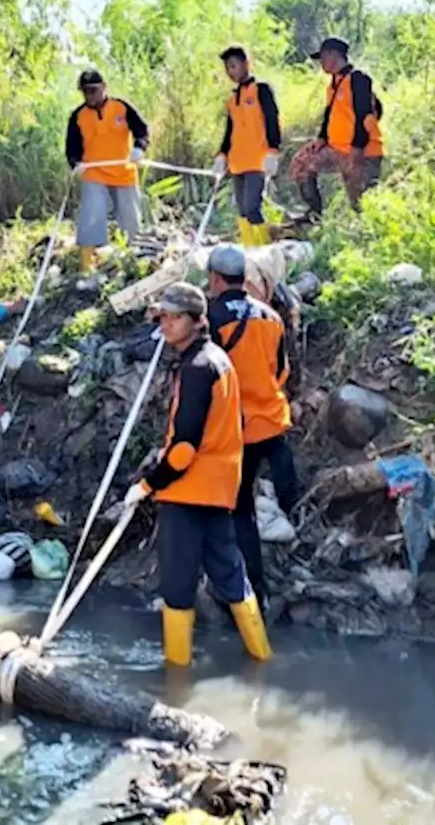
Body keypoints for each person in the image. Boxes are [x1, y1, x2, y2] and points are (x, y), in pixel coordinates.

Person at [119, 283, 272, 667]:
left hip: (188, 493)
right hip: (220, 491)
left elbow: (185, 447)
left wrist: (149, 483)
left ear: (197, 320)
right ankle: (262, 657)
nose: (166, 325)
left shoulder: (197, 368)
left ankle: (176, 679)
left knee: (177, 587)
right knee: (232, 575)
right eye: (163, 318)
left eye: (174, 318)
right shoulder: (220, 361)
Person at [204, 244, 298, 607]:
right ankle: (292, 510)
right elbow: (281, 369)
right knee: (278, 467)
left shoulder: (210, 317)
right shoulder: (270, 316)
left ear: (214, 278)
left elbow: (206, 372)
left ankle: (253, 588)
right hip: (271, 418)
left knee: (240, 510)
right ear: (244, 277)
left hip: (236, 427)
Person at [65, 69, 150, 287]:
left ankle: (132, 263)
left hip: (124, 170)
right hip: (94, 172)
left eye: (93, 90)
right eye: (85, 92)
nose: (89, 96)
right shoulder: (78, 116)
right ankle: (87, 268)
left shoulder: (121, 107)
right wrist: (75, 164)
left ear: (104, 87)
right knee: (92, 214)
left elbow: (142, 130)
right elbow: (72, 146)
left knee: (130, 218)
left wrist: (140, 148)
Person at [289, 37, 384, 220]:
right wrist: (321, 138)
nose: (321, 63)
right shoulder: (333, 85)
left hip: (363, 151)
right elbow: (329, 114)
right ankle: (314, 214)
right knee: (301, 163)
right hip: (337, 149)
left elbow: (365, 116)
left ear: (334, 55)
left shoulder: (358, 79)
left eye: (323, 58)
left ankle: (368, 234)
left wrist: (357, 149)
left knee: (361, 205)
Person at [212, 46, 283, 249]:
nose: (230, 72)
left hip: (257, 160)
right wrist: (222, 155)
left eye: (233, 66)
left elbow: (272, 121)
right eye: (227, 68)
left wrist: (273, 151)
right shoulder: (232, 99)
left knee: (253, 207)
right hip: (237, 162)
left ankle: (264, 250)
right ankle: (249, 249)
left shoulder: (261, 90)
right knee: (242, 210)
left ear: (246, 64)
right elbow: (230, 131)